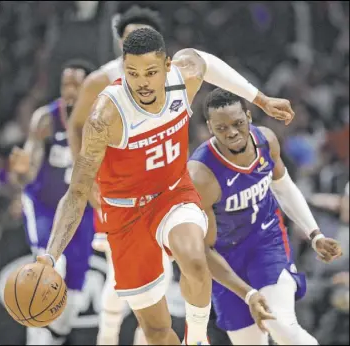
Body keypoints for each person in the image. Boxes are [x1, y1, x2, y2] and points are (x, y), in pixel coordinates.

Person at [36, 28, 295, 345]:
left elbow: (206, 62)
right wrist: (49, 256)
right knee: (157, 332)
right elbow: (76, 193)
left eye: (150, 72)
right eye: (132, 73)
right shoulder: (105, 117)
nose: (142, 82)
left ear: (168, 65)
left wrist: (260, 99)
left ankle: (197, 338)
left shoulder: (182, 79)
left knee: (194, 258)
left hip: (173, 194)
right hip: (126, 215)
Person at [188, 88, 343, 345]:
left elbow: (283, 187)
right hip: (225, 263)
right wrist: (248, 295)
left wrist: (315, 234)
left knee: (281, 325)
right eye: (222, 128)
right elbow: (204, 250)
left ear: (249, 116)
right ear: (209, 127)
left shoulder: (266, 140)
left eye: (238, 123)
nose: (232, 133)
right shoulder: (201, 175)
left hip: (266, 244)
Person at [68, 6, 169, 345]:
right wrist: (86, 181)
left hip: (158, 186)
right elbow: (77, 125)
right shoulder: (100, 79)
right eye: (128, 39)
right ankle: (109, 335)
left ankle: (140, 338)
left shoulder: (169, 79)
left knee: (161, 271)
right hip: (117, 187)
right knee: (122, 271)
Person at [8, 60, 96, 345]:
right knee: (47, 271)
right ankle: (37, 337)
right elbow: (27, 173)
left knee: (76, 290)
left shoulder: (101, 121)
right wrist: (20, 174)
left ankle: (54, 336)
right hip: (45, 205)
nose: (70, 90)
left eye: (76, 84)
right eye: (65, 84)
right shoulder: (46, 119)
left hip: (81, 208)